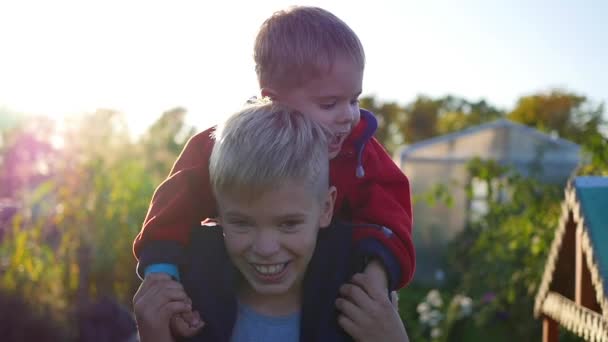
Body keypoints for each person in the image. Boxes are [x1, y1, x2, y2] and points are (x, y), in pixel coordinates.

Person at [132, 5, 415, 338]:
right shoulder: (222, 146)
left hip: (330, 285)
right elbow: (171, 209)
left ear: (327, 205)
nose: (349, 117)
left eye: (354, 100)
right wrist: (163, 275)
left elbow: (391, 214)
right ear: (273, 100)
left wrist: (377, 275)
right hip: (238, 285)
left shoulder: (358, 149)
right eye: (329, 104)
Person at [132, 100, 409, 342]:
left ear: (326, 207)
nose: (265, 247)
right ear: (217, 209)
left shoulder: (363, 304)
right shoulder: (190, 301)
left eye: (288, 224)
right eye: (241, 222)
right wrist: (155, 335)